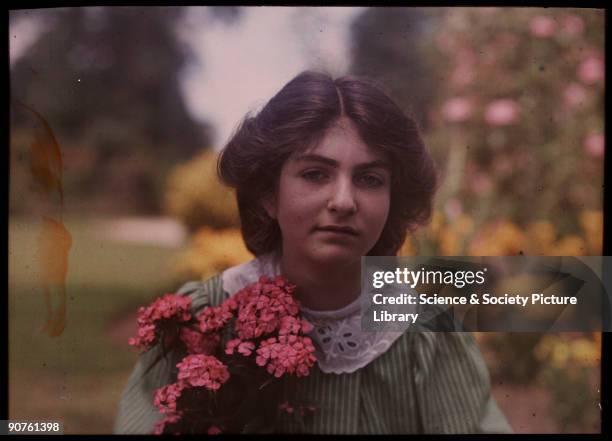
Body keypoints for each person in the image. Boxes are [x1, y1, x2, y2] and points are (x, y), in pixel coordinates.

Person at [114, 71, 512, 434]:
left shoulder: (427, 334)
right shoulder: (205, 319)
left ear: (394, 199)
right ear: (269, 194)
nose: (343, 201)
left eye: (370, 179)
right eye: (315, 174)